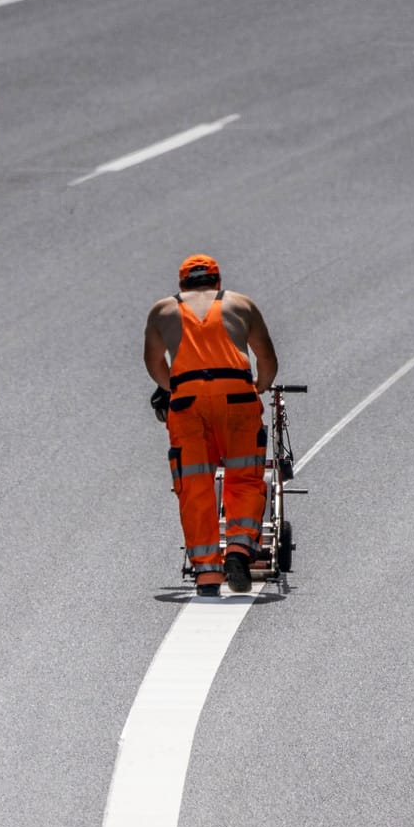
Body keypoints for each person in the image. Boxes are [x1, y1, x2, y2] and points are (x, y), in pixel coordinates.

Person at [144, 254, 279, 597]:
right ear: (217, 282)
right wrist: (259, 386)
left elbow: (154, 362)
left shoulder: (163, 310)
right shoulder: (240, 304)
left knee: (195, 486)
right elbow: (266, 358)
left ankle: (206, 575)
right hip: (236, 396)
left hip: (188, 401)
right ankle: (237, 550)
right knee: (244, 477)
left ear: (181, 284)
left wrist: (173, 389)